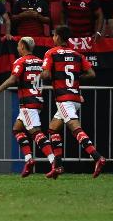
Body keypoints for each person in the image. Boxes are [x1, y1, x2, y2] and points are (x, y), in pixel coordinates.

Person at [0, 36, 58, 178]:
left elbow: (13, 79)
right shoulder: (41, 62)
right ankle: (29, 160)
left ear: (23, 46)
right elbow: (48, 77)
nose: (17, 48)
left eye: (18, 45)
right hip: (37, 100)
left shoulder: (21, 61)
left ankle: (54, 163)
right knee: (17, 129)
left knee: (35, 132)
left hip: (28, 102)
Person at [41, 25, 106, 178]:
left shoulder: (51, 53)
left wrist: (45, 74)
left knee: (74, 127)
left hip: (64, 99)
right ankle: (57, 166)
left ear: (57, 37)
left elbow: (45, 75)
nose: (53, 38)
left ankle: (97, 157)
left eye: (54, 35)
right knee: (53, 128)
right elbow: (91, 74)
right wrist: (76, 78)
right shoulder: (77, 55)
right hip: (75, 97)